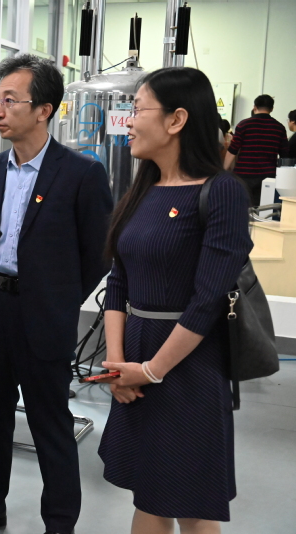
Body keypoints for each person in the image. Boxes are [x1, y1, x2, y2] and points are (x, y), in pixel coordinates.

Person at [0, 54, 113, 534]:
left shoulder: (81, 174)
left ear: (44, 110)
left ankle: (59, 522)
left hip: (45, 315)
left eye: (10, 100)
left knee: (49, 423)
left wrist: (59, 299)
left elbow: (100, 254)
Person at [97, 67, 253, 534]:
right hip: (135, 361)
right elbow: (118, 283)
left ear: (176, 119)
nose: (128, 121)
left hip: (188, 368)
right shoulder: (141, 191)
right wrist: (118, 365)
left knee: (191, 503)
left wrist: (150, 371)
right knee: (150, 494)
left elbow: (207, 301)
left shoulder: (221, 193)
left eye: (137, 109)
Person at [223, 94, 289, 205]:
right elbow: (285, 155)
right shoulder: (279, 128)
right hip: (268, 177)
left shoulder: (243, 125)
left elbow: (233, 150)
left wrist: (223, 170)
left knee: (241, 207)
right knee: (263, 209)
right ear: (272, 109)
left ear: (254, 107)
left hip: (243, 175)